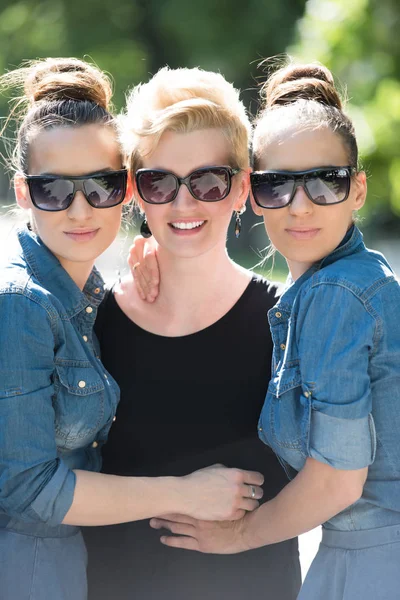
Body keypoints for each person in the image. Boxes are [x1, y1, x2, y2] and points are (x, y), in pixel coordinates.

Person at [0, 58, 264, 600]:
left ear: (124, 192)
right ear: (24, 193)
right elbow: (28, 490)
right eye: (54, 191)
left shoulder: (87, 297)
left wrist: (165, 247)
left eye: (100, 185)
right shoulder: (22, 304)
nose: (80, 210)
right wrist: (186, 494)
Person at [149, 63, 400, 599]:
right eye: (276, 184)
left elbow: (337, 478)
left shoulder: (339, 297)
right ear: (251, 193)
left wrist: (240, 535)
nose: (300, 205)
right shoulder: (325, 287)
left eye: (325, 181)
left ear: (357, 190)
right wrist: (159, 252)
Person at [83, 66, 302, 600]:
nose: (184, 204)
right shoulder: (90, 323)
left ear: (241, 188)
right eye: (160, 181)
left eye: (207, 181)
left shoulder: (289, 320)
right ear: (135, 190)